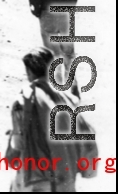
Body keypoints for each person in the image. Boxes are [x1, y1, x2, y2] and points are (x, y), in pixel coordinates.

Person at [7, 47, 97, 192]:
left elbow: (18, 143)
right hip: (64, 179)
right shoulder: (68, 99)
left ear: (29, 72)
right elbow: (86, 136)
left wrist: (11, 156)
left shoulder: (23, 100)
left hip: (35, 178)